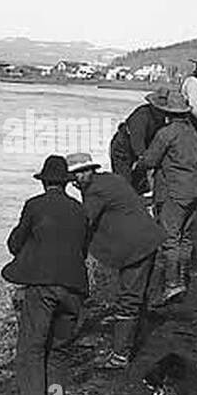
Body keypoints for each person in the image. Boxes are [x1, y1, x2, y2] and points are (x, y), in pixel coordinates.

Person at [0, 155, 89, 395]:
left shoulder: (34, 206)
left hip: (44, 286)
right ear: (65, 183)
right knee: (59, 350)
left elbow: (15, 244)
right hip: (74, 287)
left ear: (44, 183)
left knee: (31, 348)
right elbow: (83, 249)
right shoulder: (79, 209)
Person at [67, 152, 166, 369]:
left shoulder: (94, 191)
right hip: (148, 239)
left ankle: (120, 355)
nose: (77, 178)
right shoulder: (112, 179)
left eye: (80, 173)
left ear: (91, 170)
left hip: (135, 247)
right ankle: (133, 339)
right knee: (138, 297)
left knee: (128, 300)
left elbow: (84, 222)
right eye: (73, 175)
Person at [141, 90, 197, 304]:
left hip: (175, 192)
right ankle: (182, 280)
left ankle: (172, 284)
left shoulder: (166, 133)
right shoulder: (193, 133)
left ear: (166, 112)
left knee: (170, 239)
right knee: (185, 238)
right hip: (196, 190)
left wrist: (138, 163)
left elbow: (150, 160)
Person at [109, 88, 168, 196]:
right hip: (122, 149)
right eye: (160, 110)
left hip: (140, 150)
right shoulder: (141, 116)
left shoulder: (162, 118)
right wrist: (145, 161)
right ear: (153, 106)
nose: (163, 113)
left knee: (139, 184)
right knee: (124, 183)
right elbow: (137, 143)